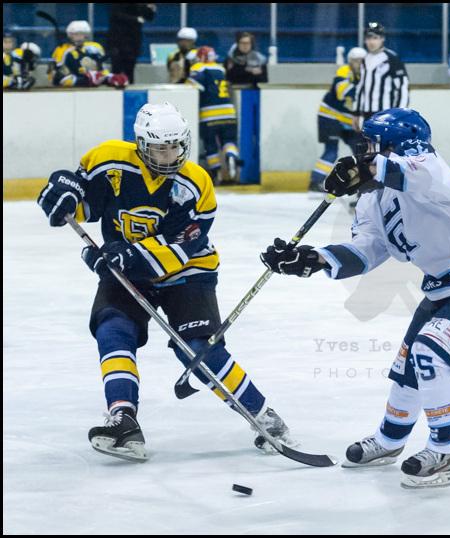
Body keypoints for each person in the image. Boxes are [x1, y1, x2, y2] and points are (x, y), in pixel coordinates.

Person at [260, 108, 450, 489]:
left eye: (369, 146)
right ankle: (389, 440)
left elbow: (411, 171)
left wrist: (367, 170)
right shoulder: (372, 202)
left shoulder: (428, 167)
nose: (362, 151)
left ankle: (445, 449)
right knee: (407, 368)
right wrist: (313, 259)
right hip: (445, 287)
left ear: (392, 147)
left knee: (431, 355)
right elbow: (367, 250)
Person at [35, 102, 294, 462]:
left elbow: (185, 245)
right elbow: (86, 204)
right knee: (113, 329)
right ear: (141, 143)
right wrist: (64, 189)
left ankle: (263, 415)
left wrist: (122, 259)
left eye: (175, 146)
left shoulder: (195, 183)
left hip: (188, 272)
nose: (169, 155)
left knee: (199, 349)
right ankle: (123, 419)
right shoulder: (108, 160)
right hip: (126, 268)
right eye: (159, 147)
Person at [308, 47, 366, 193]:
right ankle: (316, 181)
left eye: (361, 60)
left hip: (347, 120)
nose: (358, 63)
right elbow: (342, 93)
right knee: (331, 150)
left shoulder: (367, 75)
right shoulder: (344, 70)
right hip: (330, 116)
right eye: (356, 60)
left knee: (359, 150)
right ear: (350, 61)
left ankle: (361, 180)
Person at [187, 46, 241, 184]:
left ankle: (216, 173)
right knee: (229, 141)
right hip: (228, 112)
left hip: (209, 113)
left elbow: (192, 84)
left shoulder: (198, 67)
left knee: (210, 145)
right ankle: (231, 155)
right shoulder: (220, 68)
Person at [353, 22, 409, 133]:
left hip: (386, 114)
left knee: (384, 148)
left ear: (382, 39)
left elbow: (403, 88)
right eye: (368, 38)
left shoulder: (392, 59)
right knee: (368, 148)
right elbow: (360, 87)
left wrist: (399, 114)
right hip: (367, 114)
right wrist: (356, 113)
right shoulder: (365, 59)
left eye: (375, 38)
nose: (371, 42)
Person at [51, 20, 128, 88]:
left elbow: (102, 70)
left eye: (82, 34)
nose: (79, 37)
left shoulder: (95, 47)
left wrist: (109, 77)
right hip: (71, 84)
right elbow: (58, 75)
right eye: (75, 34)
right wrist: (87, 79)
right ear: (70, 35)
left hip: (92, 83)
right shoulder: (62, 49)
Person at [106, 3, 157, 84]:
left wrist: (151, 9)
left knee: (130, 70)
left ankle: (130, 90)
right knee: (116, 70)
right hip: (117, 40)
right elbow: (116, 14)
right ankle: (114, 91)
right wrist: (135, 19)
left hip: (133, 41)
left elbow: (149, 17)